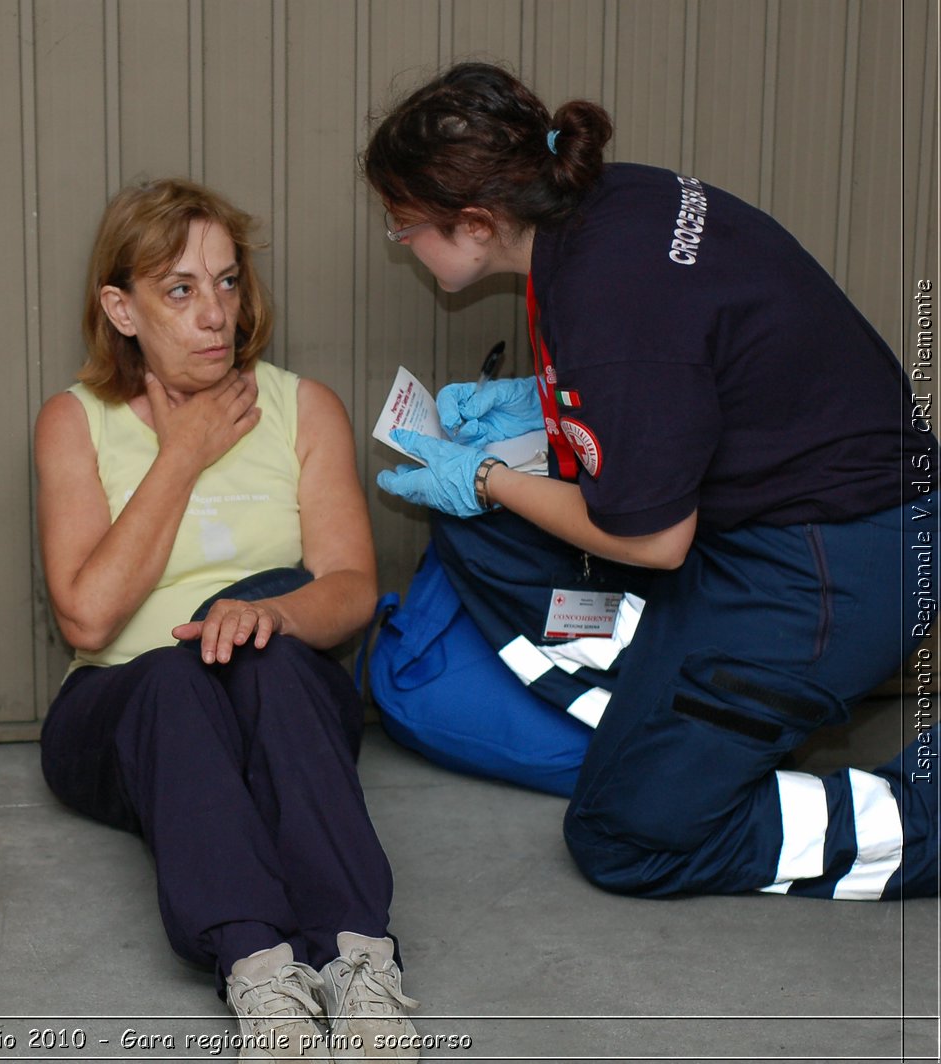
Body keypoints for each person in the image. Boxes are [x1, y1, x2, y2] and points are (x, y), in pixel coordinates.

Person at [364, 62, 936, 901]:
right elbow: (693, 367)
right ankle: (679, 712)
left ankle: (905, 807)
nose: (401, 241)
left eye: (403, 225)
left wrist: (484, 474)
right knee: (478, 540)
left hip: (836, 567)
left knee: (625, 834)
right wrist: (545, 406)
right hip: (789, 518)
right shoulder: (612, 201)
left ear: (478, 222)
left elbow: (653, 541)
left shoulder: (607, 300)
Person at [35, 179, 420, 1061]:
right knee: (176, 672)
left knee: (266, 654)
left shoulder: (300, 408)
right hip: (121, 713)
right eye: (179, 289)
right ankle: (258, 967)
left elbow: (353, 586)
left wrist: (267, 612)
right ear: (120, 309)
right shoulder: (76, 421)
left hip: (274, 706)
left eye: (227, 281)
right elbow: (87, 620)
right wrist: (184, 453)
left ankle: (359, 958)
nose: (215, 314)